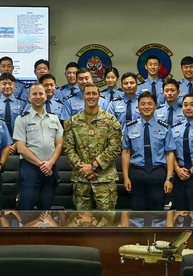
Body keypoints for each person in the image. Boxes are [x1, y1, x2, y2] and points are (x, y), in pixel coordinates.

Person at [63, 83, 121, 211]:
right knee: (82, 223)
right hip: (81, 178)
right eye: (88, 93)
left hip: (104, 179)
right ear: (83, 96)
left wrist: (93, 166)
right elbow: (68, 148)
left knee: (106, 222)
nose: (91, 96)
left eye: (94, 93)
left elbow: (115, 147)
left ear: (99, 96)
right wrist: (83, 168)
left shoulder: (110, 120)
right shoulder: (73, 122)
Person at [121, 92, 175, 211]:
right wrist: (125, 177)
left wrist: (169, 178)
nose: (146, 107)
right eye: (143, 104)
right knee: (137, 214)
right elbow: (126, 152)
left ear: (155, 106)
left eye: (150, 104)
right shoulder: (130, 127)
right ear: (138, 106)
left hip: (158, 173)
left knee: (158, 215)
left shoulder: (165, 127)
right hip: (137, 173)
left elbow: (169, 153)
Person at [14, 83, 63, 211]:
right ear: (29, 97)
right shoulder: (21, 119)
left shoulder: (54, 118)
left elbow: (59, 144)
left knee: (45, 209)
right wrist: (42, 164)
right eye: (34, 94)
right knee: (27, 209)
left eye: (41, 93)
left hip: (51, 168)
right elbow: (21, 148)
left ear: (46, 96)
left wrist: (50, 163)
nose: (38, 96)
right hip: (30, 168)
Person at [0, 73, 25, 137]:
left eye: (10, 84)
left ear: (14, 85)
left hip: (18, 139)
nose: (7, 87)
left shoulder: (22, 104)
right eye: (4, 84)